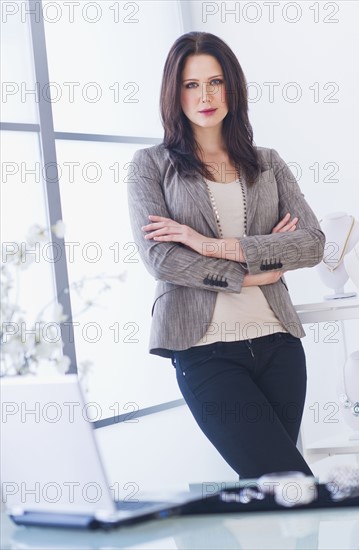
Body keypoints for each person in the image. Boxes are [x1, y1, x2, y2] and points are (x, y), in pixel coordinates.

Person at [127, 32, 325, 479]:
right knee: (291, 483)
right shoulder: (151, 165)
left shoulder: (267, 162)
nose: (206, 95)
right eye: (191, 85)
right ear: (174, 93)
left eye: (215, 82)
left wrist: (206, 244)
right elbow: (163, 261)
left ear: (232, 87)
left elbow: (312, 242)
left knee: (272, 492)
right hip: (205, 351)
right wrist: (252, 274)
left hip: (280, 344)